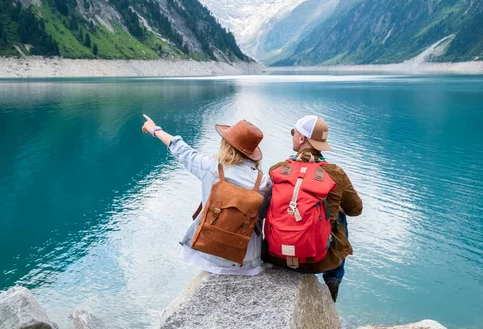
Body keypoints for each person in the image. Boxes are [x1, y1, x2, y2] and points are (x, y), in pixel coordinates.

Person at [142, 114, 272, 275]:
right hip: (247, 260)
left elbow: (181, 149)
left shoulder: (211, 167)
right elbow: (263, 215)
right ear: (252, 153)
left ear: (226, 145)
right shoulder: (264, 183)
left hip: (209, 254)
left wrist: (154, 129)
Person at [263, 115, 362, 301]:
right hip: (317, 260)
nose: (292, 136)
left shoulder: (277, 169)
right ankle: (332, 279)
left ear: (302, 139)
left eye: (293, 132)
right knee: (339, 217)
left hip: (275, 255)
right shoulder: (335, 173)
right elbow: (356, 209)